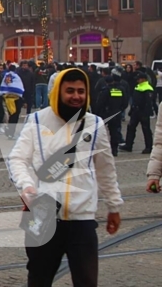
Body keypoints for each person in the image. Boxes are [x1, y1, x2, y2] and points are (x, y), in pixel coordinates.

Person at [7, 67, 123, 286]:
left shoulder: (95, 124)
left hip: (82, 219)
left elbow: (105, 169)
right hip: (42, 216)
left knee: (86, 280)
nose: (76, 96)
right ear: (58, 92)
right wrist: (27, 187)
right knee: (39, 279)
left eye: (81, 91)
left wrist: (114, 205)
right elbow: (17, 159)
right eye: (70, 91)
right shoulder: (37, 120)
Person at [120, 71, 154, 154]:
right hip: (135, 111)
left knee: (146, 130)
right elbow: (135, 101)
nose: (137, 80)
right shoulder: (138, 86)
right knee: (131, 127)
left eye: (139, 79)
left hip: (143, 112)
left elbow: (148, 103)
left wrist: (146, 113)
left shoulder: (148, 88)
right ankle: (128, 145)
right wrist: (132, 110)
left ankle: (149, 147)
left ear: (143, 79)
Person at [0, 64, 25, 139]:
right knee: (15, 115)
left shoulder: (6, 76)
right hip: (17, 98)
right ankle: (11, 132)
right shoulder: (17, 77)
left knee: (11, 114)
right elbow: (20, 86)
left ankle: (9, 129)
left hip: (8, 98)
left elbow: (5, 85)